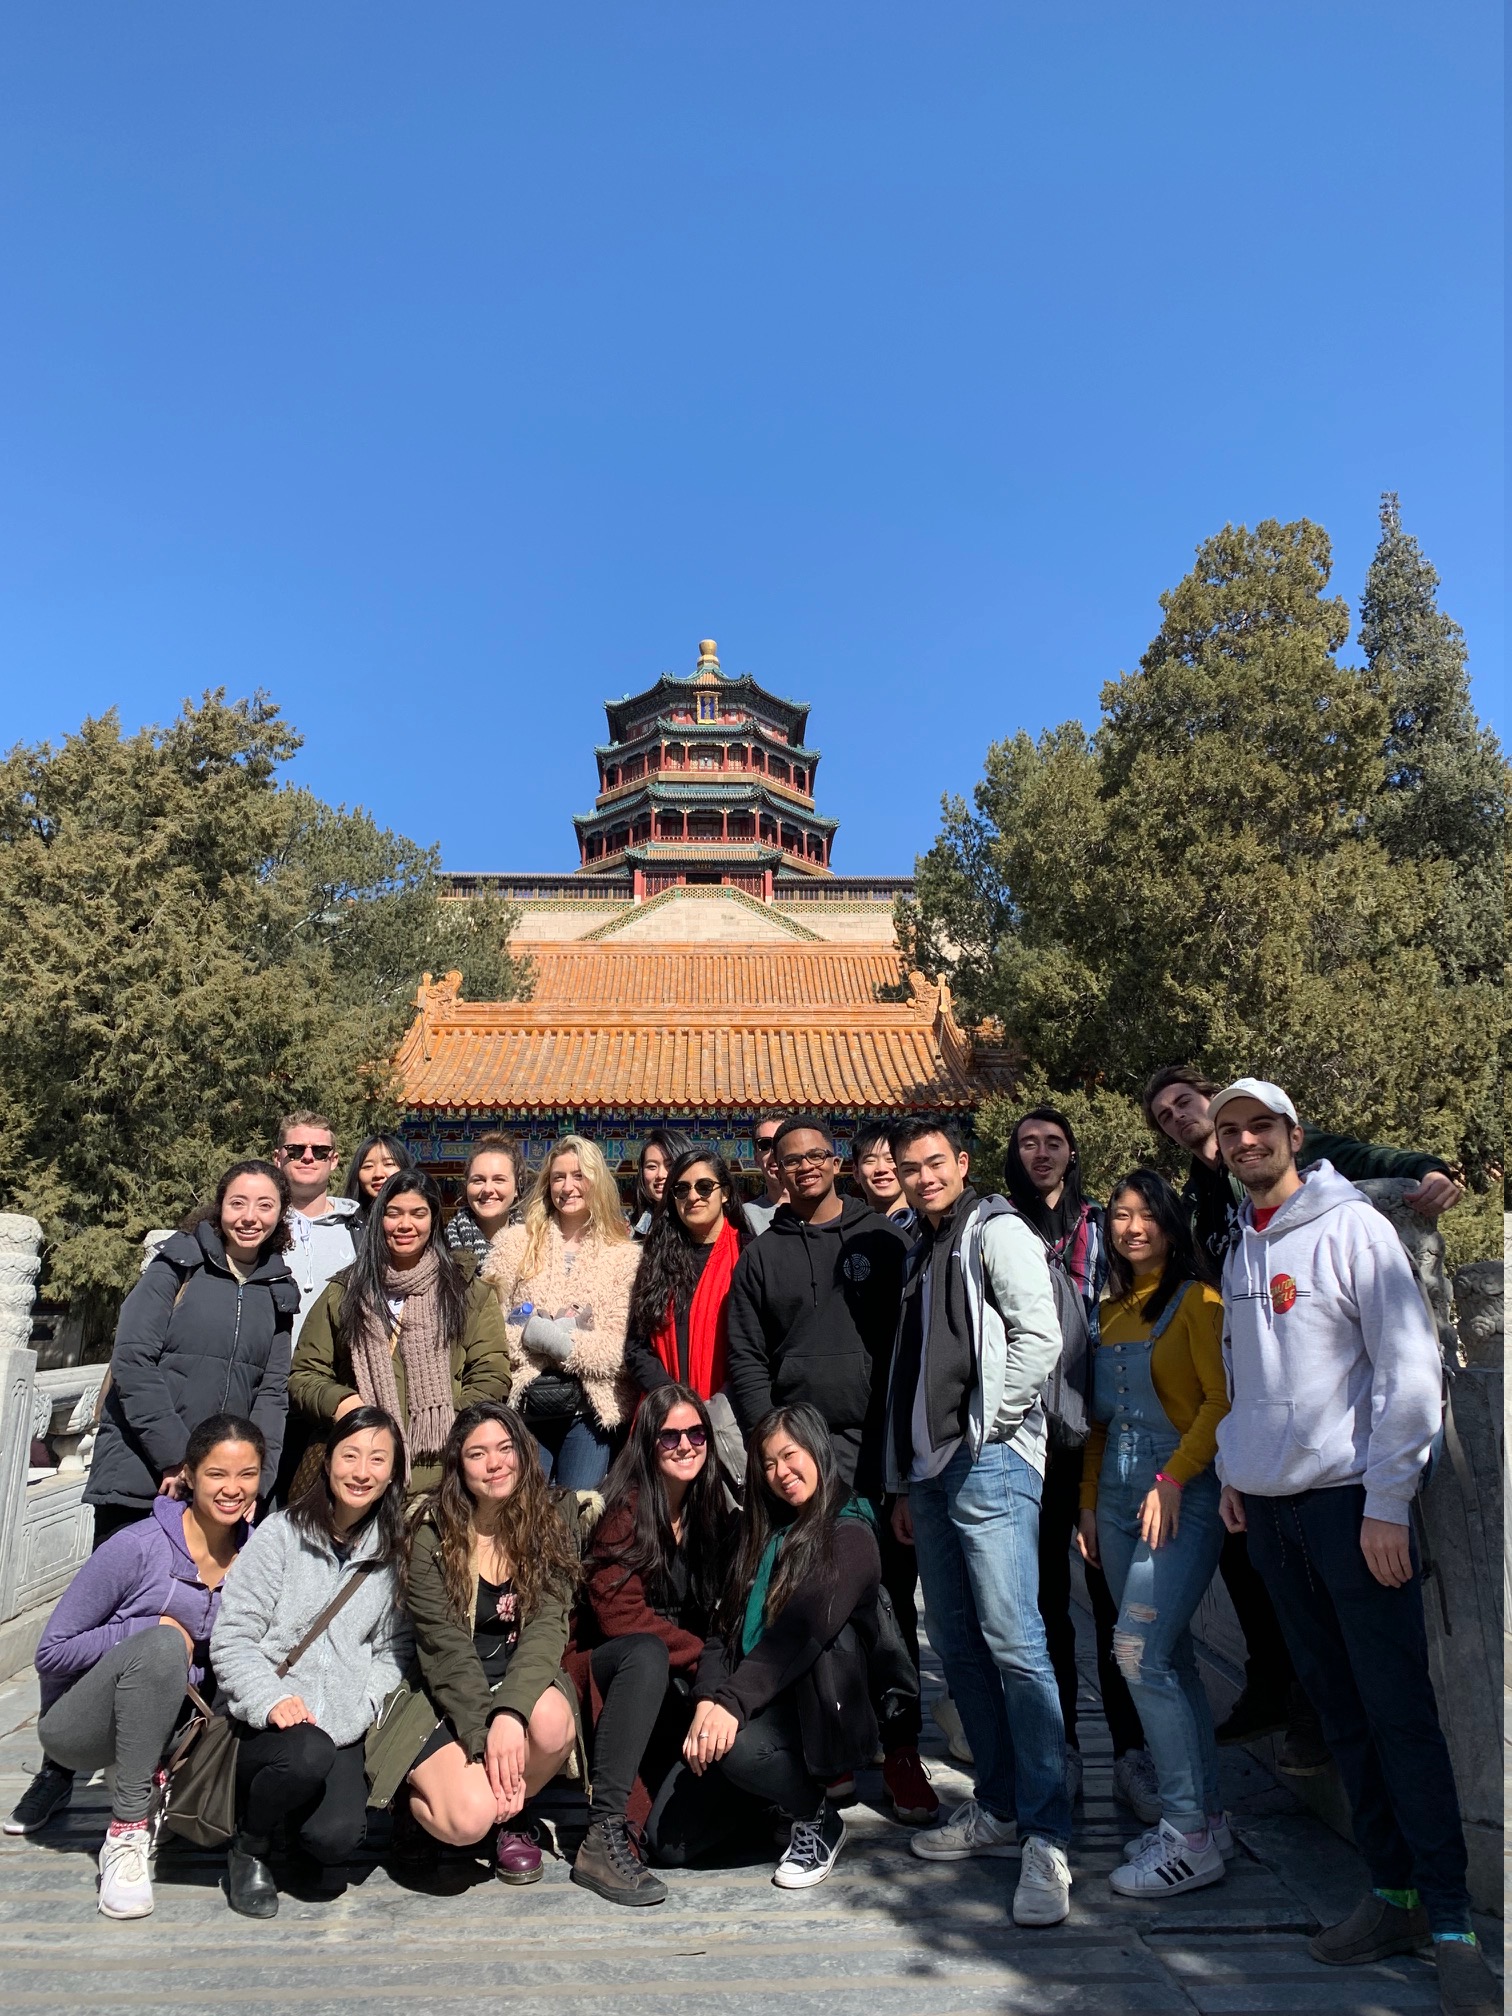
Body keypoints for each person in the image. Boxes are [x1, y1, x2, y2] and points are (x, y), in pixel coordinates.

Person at [1211, 1079, 1495, 2010]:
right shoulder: (1241, 1240)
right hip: (1275, 1511)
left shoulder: (1349, 1226)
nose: (1247, 1141)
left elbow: (1408, 1369)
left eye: (1261, 1127)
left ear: (1294, 1134)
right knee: (1338, 1710)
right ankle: (1392, 1894)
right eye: (1231, 1131)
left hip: (1350, 1509)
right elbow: (1248, 1376)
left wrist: (1386, 1502)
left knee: (1398, 1709)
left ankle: (1451, 1919)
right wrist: (1234, 1472)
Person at [1143, 1063, 1460, 1756]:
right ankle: (1280, 1693)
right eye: (1167, 1116)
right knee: (1265, 1593)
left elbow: (1372, 1162)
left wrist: (1425, 1168)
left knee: (1386, 1682)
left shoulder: (1315, 1186)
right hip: (1258, 1438)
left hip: (1345, 1466)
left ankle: (1412, 1844)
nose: (1179, 1117)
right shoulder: (1207, 1202)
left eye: (1183, 1102)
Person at [886, 1117, 1073, 1929]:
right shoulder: (920, 1244)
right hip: (929, 1472)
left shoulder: (996, 1230)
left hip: (988, 1458)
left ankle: (1048, 1835)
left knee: (1015, 1642)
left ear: (961, 1164)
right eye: (908, 1166)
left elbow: (1041, 1334)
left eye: (934, 1163)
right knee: (956, 1645)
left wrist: (990, 1427)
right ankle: (996, 1806)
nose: (922, 1176)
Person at [724, 1115, 933, 1824]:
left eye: (817, 1155)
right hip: (801, 1464)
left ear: (837, 1161)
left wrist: (899, 1446)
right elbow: (746, 1356)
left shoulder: (884, 1239)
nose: (806, 1167)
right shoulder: (761, 1258)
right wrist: (771, 1440)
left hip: (876, 1448)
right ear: (774, 1172)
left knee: (890, 1600)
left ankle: (902, 1747)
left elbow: (912, 1344)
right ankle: (834, 1750)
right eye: (792, 1160)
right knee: (809, 1598)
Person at [10, 1416, 264, 1919]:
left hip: (176, 1728)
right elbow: (52, 1653)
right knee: (164, 1645)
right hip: (81, 1727)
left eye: (247, 1474)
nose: (232, 1489)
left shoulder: (257, 1555)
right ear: (188, 1475)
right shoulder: (136, 1547)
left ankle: (168, 1784)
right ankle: (126, 1832)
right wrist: (147, 1630)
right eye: (216, 1474)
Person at [645, 1405, 883, 1890]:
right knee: (667, 1844)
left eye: (790, 1456)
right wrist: (710, 1698)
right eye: (768, 1464)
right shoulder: (757, 1533)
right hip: (751, 1700)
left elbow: (801, 1631)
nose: (781, 1474)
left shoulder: (850, 1531)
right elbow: (721, 1628)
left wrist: (730, 1706)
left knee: (737, 1750)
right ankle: (771, 1799)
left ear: (817, 1449)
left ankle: (818, 1818)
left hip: (815, 1708)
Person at [1076, 1171, 1231, 1897]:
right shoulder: (1108, 1313)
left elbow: (1218, 1403)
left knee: (1135, 1651)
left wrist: (1172, 1481)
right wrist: (1085, 1506)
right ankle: (1205, 1815)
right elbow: (1099, 1427)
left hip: (1180, 1496)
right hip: (1113, 1500)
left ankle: (1188, 1837)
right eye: (1119, 1216)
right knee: (1172, 1659)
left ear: (1170, 1225)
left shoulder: (1199, 1303)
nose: (1131, 1227)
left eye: (1145, 1216)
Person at [1002, 1109, 1153, 1818]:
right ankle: (1058, 1749)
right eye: (1028, 1143)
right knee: (1044, 1606)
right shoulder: (999, 1227)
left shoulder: (1101, 1225)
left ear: (1071, 1153)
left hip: (1100, 1432)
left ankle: (1132, 1753)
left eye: (1053, 1143)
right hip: (1029, 1435)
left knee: (1113, 1599)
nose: (1041, 1154)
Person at [364, 1402, 582, 1887]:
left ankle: (510, 1819)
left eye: (505, 1449)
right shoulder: (429, 1530)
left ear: (524, 1454)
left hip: (516, 1678)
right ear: (458, 1467)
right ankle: (416, 1805)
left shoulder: (553, 1519)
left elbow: (548, 1626)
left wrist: (511, 1711)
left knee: (549, 1723)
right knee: (465, 1822)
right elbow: (443, 1649)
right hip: (443, 1692)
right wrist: (488, 1735)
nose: (495, 1463)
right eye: (477, 1454)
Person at [210, 1408, 412, 1917]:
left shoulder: (393, 1554)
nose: (361, 1471)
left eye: (377, 1459)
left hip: (339, 1725)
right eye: (350, 1455)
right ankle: (249, 1845)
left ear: (392, 1473)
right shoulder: (280, 1535)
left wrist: (364, 1705)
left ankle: (290, 1817)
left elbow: (394, 1650)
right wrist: (272, 1700)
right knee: (303, 1755)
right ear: (327, 1463)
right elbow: (232, 1638)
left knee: (334, 1843)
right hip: (263, 1724)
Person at [564, 1383, 734, 1904]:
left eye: (696, 1434)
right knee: (645, 1650)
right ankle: (603, 1831)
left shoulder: (713, 1516)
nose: (686, 1446)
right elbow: (620, 1618)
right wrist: (704, 1657)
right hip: (611, 1672)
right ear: (647, 1444)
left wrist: (714, 1678)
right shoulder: (624, 1510)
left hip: (677, 1681)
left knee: (669, 1841)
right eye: (670, 1437)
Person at [85, 1161, 298, 1547]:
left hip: (223, 1492)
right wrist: (177, 1459)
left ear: (281, 1214)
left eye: (265, 1206)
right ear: (220, 1207)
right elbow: (133, 1360)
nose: (250, 1217)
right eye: (238, 1203)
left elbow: (272, 1394)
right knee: (122, 1602)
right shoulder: (177, 1265)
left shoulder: (277, 1291)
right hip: (143, 1476)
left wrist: (256, 1479)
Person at [288, 1169, 510, 1497]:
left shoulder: (467, 1292)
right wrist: (344, 1403)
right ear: (380, 1219)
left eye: (418, 1214)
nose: (405, 1225)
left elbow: (492, 1374)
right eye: (394, 1213)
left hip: (442, 1472)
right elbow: (305, 1374)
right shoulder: (345, 1291)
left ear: (434, 1220)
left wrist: (454, 1418)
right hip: (362, 1469)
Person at [484, 1136, 640, 1490]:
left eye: (578, 1176)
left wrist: (546, 1335)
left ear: (596, 1181)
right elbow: (490, 1330)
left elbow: (620, 1349)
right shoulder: (514, 1244)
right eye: (558, 1177)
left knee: (577, 1515)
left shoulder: (624, 1257)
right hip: (526, 1404)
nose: (567, 1187)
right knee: (522, 1515)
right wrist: (555, 1335)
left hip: (588, 1412)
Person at [625, 1147, 753, 1400]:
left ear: (725, 1193)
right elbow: (636, 1347)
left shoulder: (748, 1251)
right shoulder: (657, 1258)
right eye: (682, 1189)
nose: (693, 1196)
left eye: (704, 1186)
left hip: (730, 1410)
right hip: (663, 1411)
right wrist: (672, 1400)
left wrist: (718, 1405)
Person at [274, 1112, 363, 1344]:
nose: (307, 1157)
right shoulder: (260, 1227)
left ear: (333, 1160)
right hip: (267, 1373)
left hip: (336, 1376)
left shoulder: (359, 1229)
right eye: (295, 1150)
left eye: (319, 1151)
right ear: (277, 1158)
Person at [446, 1136, 527, 1260]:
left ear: (517, 1187)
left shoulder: (537, 1248)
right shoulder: (443, 1247)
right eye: (478, 1180)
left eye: (499, 1180)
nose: (487, 1189)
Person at [851, 1121, 918, 1236]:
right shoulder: (849, 1233)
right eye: (870, 1161)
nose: (881, 1169)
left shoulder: (928, 1230)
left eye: (890, 1159)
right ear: (856, 1173)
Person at [631, 1130, 694, 1240]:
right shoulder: (630, 1231)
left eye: (670, 1165)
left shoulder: (701, 1227)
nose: (660, 1175)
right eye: (651, 1166)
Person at [344, 1133, 415, 1228]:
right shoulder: (347, 1226)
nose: (378, 1174)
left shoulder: (419, 1223)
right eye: (368, 1166)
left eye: (388, 1164)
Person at [742, 1119, 790, 1235]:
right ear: (756, 1159)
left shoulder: (820, 1209)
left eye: (781, 1142)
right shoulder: (745, 1215)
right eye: (765, 1145)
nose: (774, 1152)